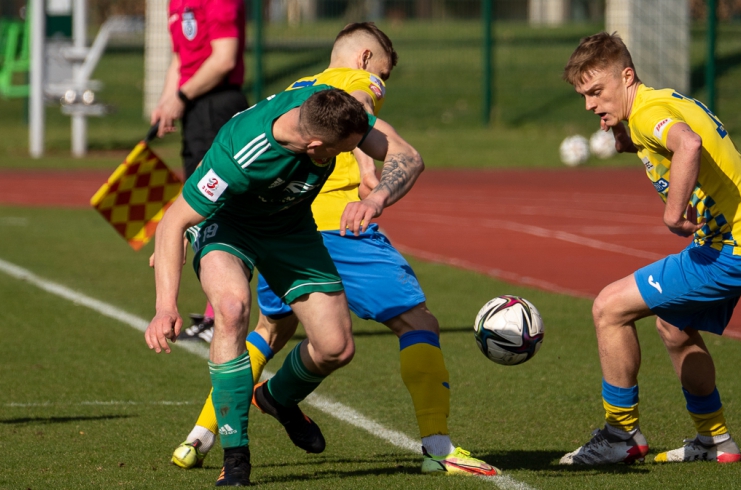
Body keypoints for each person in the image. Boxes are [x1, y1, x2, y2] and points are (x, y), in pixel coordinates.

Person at [169, 22, 500, 477]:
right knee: (416, 320)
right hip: (335, 226)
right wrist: (371, 180)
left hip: (283, 223)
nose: (380, 86)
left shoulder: (300, 90)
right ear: (365, 59)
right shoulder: (356, 82)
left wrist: (176, 237)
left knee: (270, 327)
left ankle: (201, 436)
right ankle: (438, 447)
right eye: (382, 74)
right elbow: (364, 111)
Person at [145, 86, 424, 486]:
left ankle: (276, 397)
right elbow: (173, 221)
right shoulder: (240, 156)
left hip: (289, 228)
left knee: (336, 347)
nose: (349, 154)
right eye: (341, 151)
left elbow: (408, 156)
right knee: (232, 308)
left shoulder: (332, 110)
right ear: (313, 145)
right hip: (228, 226)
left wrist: (375, 199)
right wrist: (165, 307)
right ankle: (236, 455)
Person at [558, 32, 741, 465]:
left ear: (626, 76)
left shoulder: (647, 113)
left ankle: (620, 435)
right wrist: (632, 143)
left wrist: (673, 214)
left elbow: (688, 144)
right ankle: (715, 442)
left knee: (608, 308)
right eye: (584, 95)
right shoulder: (654, 104)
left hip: (733, 247)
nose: (590, 104)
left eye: (596, 91)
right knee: (674, 328)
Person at [150, 0, 249, 341]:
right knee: (202, 204)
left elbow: (223, 58)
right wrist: (167, 103)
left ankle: (219, 313)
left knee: (216, 207)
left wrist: (181, 95)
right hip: (195, 108)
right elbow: (181, 58)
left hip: (218, 105)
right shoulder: (176, 3)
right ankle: (217, 311)